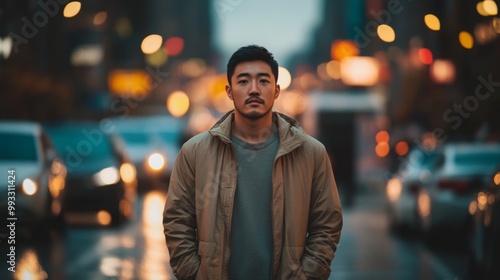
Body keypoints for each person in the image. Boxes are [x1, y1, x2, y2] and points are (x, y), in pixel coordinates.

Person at [163, 44, 343, 280]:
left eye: (264, 81)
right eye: (244, 81)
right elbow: (177, 220)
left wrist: (306, 275)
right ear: (229, 91)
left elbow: (327, 224)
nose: (254, 90)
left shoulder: (311, 153)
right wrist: (195, 274)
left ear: (277, 90)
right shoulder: (194, 152)